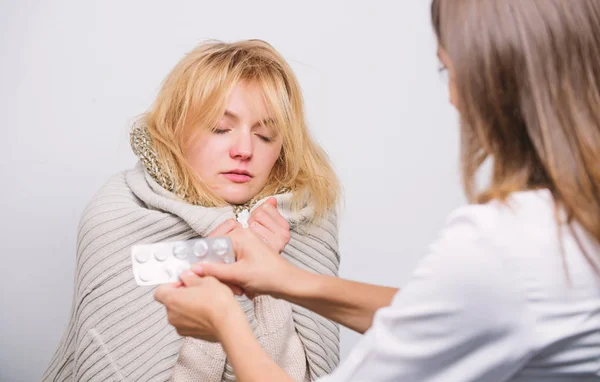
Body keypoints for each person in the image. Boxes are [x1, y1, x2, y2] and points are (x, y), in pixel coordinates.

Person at [154, 1, 600, 381]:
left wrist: (225, 321)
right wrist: (287, 280)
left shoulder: (503, 246)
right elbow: (440, 315)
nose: (452, 98)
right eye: (219, 128)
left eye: (451, 70)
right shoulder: (563, 227)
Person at [43, 39, 342, 382]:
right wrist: (219, 278)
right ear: (176, 128)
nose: (244, 149)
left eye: (265, 135)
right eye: (220, 128)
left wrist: (267, 280)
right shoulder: (119, 213)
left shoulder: (304, 219)